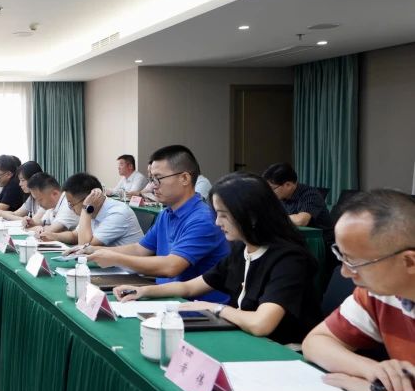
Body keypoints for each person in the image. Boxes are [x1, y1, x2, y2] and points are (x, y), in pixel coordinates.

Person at [114, 173, 321, 343]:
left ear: (251, 216)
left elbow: (261, 324)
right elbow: (189, 287)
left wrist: (215, 308)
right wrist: (143, 291)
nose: (217, 222)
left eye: (223, 215)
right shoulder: (242, 250)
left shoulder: (289, 260)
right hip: (242, 339)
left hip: (282, 350)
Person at [302, 190, 415, 391]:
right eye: (342, 257)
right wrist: (372, 370)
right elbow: (315, 343)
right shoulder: (378, 294)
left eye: (354, 262)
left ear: (409, 261)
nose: (345, 272)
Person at [85, 145, 230, 302]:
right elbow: (140, 249)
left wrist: (115, 258)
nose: (153, 185)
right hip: (164, 296)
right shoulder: (166, 213)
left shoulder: (203, 219)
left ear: (184, 178)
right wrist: (94, 249)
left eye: (158, 179)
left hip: (196, 306)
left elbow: (171, 266)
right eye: (151, 179)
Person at [63, 173, 145, 250]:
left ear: (90, 198)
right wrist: (55, 236)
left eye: (71, 204)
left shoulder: (118, 213)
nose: (71, 208)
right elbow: (74, 235)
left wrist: (86, 208)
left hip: (126, 261)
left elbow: (84, 247)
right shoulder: (92, 211)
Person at [263, 162, 333, 245]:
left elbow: (301, 220)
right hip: (294, 238)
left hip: (319, 242)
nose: (270, 192)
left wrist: (274, 218)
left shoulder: (310, 194)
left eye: (272, 188)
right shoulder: (280, 196)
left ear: (288, 185)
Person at [23, 173, 79, 243]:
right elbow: (43, 223)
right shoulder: (52, 204)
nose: (38, 203)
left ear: (54, 194)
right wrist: (31, 223)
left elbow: (49, 231)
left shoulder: (68, 204)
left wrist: (33, 228)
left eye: (40, 199)